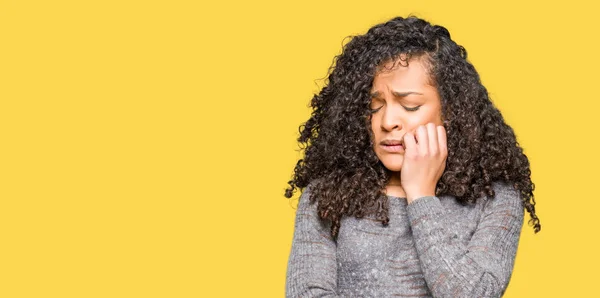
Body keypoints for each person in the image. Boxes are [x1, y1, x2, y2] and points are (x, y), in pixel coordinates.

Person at [284, 15, 542, 297]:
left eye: (409, 105)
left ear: (452, 111)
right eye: (375, 106)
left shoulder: (496, 198)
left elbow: (473, 293)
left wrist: (420, 195)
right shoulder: (326, 195)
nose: (387, 121)